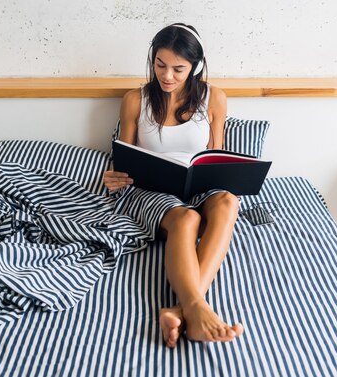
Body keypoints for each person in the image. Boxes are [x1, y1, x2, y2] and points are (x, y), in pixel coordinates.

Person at [103, 23, 244, 349]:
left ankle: (182, 310)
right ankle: (195, 308)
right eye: (160, 65)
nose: (167, 76)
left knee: (227, 203)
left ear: (194, 66)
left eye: (178, 69)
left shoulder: (215, 98)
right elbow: (124, 157)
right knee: (187, 219)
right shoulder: (135, 100)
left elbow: (215, 154)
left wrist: (225, 180)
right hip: (152, 189)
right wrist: (113, 175)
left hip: (197, 183)